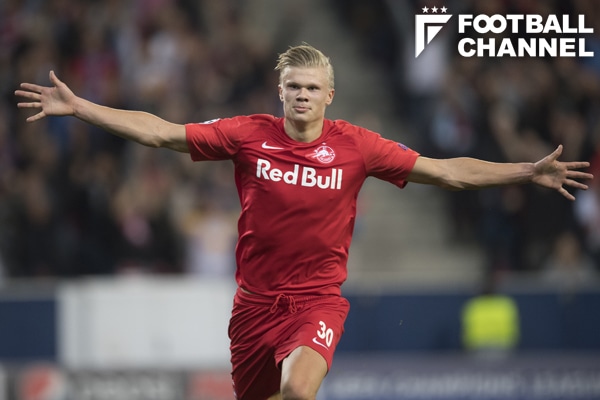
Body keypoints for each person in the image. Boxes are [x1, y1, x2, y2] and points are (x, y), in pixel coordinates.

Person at [15, 44, 593, 400]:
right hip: (253, 307)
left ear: (329, 95)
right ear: (280, 91)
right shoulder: (248, 134)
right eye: (293, 87)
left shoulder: (358, 146)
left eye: (312, 88)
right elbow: (162, 132)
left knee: (298, 389)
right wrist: (82, 107)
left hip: (316, 300)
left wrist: (525, 171)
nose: (301, 95)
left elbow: (447, 172)